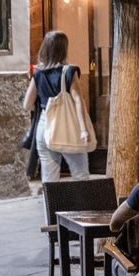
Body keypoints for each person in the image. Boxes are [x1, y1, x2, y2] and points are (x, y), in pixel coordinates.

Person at [23, 30, 91, 182]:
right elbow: (78, 100)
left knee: (49, 179)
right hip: (67, 128)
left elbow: (27, 104)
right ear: (64, 49)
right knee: (80, 174)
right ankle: (83, 206)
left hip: (45, 127)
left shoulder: (38, 73)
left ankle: (52, 206)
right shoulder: (69, 71)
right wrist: (83, 129)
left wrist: (45, 108)